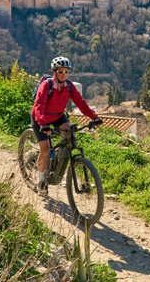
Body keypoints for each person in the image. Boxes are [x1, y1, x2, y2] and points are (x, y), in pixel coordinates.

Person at [31, 56, 101, 196]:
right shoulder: (47, 85)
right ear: (54, 72)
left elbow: (81, 103)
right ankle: (41, 182)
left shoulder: (69, 86)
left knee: (70, 133)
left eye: (66, 72)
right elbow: (38, 106)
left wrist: (94, 116)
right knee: (45, 150)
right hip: (41, 117)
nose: (64, 74)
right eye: (61, 72)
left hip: (57, 115)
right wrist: (43, 124)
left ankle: (57, 159)